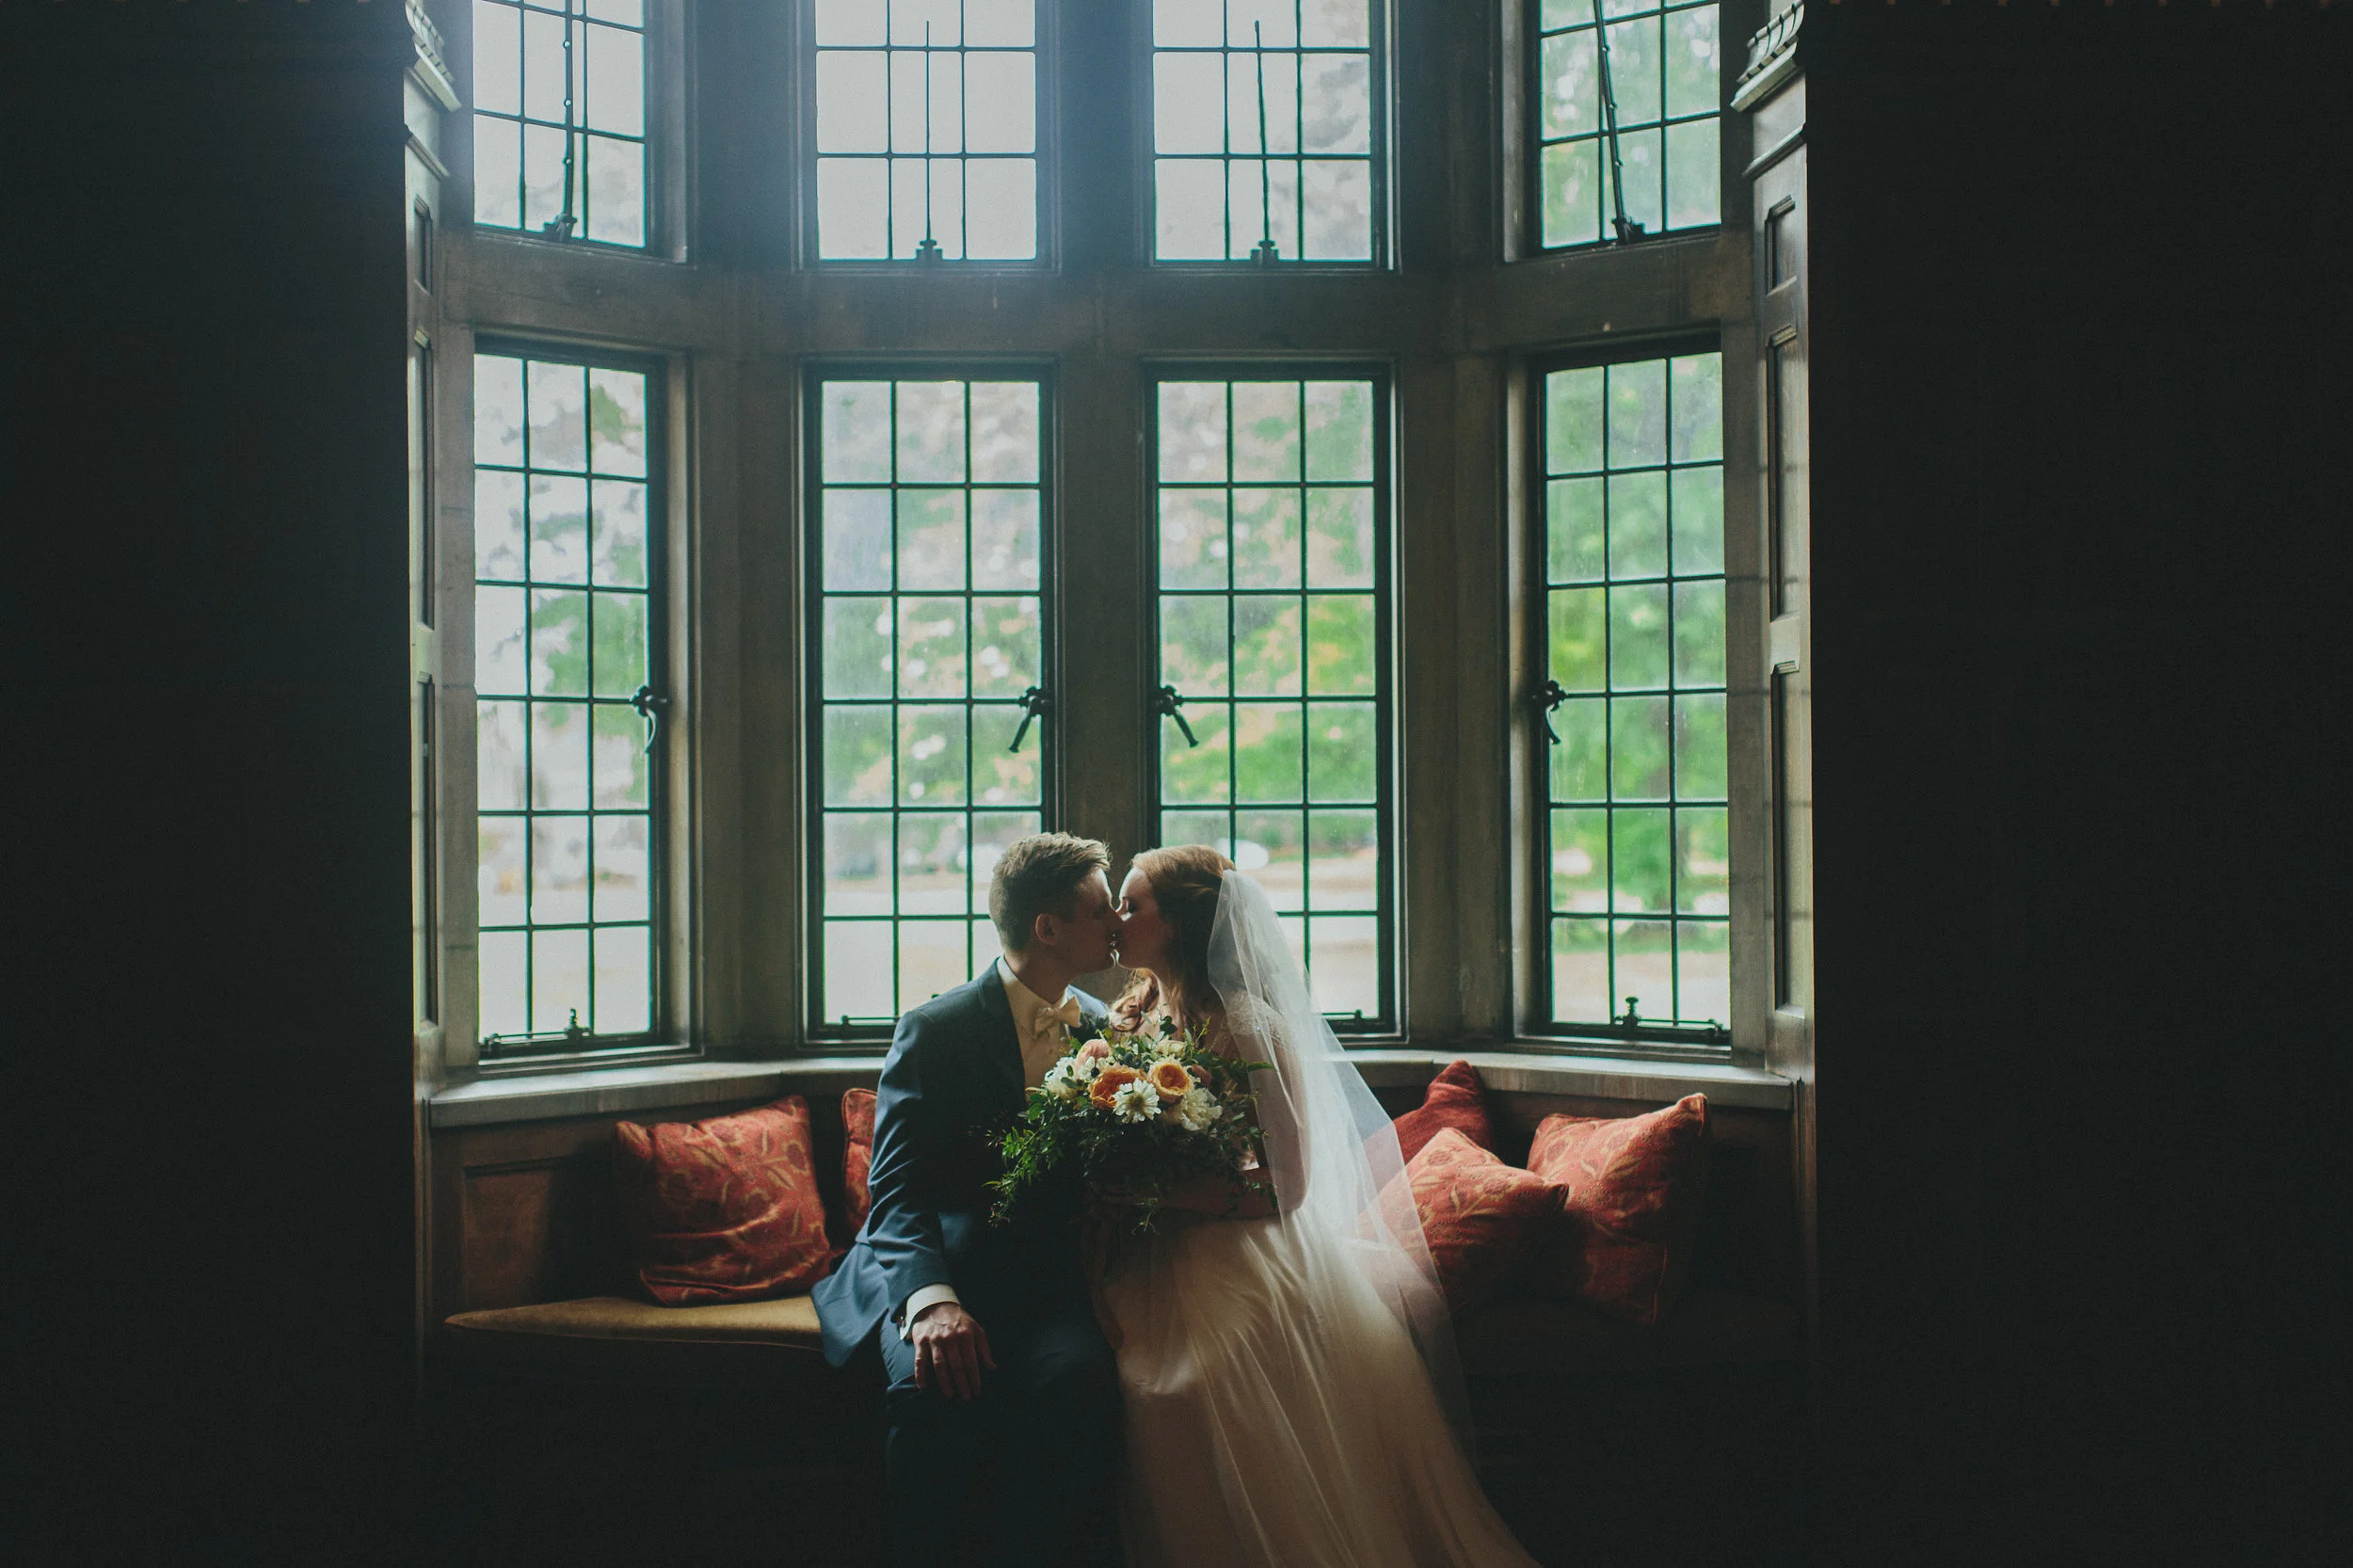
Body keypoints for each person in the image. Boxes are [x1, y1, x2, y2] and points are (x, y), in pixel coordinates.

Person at [1098, 845, 1542, 1568]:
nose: (1116, 919)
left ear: (1179, 922)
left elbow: (1286, 1186)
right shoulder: (1136, 1013)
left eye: (1130, 904)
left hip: (1241, 1246)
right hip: (1153, 1247)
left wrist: (1162, 1192)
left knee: (1176, 1389)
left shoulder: (1244, 1023)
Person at [812, 832, 1128, 1568]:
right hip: (936, 1272)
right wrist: (932, 1302)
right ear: (1046, 928)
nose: (1116, 922)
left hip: (1048, 1291)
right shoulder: (936, 1030)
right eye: (1099, 908)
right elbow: (894, 1191)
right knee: (937, 1389)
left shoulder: (1109, 1034)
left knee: (1080, 1386)